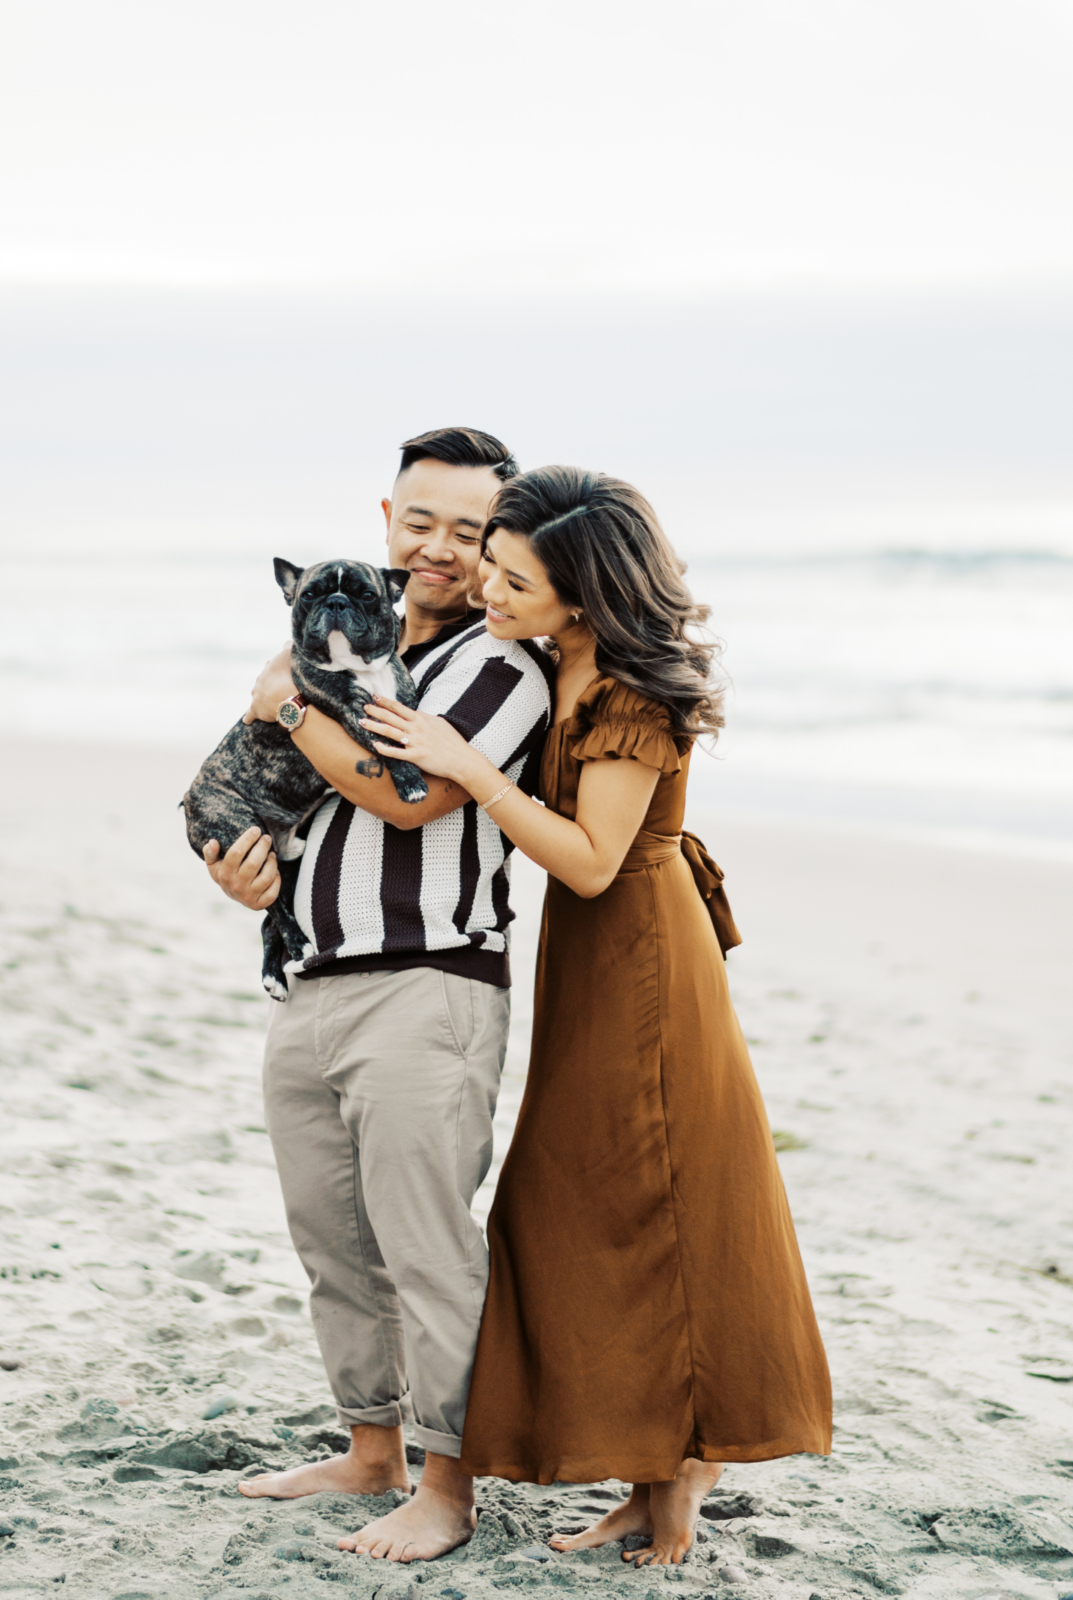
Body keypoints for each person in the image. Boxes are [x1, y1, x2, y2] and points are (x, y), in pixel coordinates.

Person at [360, 466, 833, 1568]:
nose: (487, 583)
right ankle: (643, 1469)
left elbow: (588, 860)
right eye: (494, 562)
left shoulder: (627, 689)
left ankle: (675, 1492)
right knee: (587, 1202)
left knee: (656, 1200)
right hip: (590, 962)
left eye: (514, 576)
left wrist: (469, 768)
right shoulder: (549, 659)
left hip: (643, 960)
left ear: (579, 594)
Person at [203, 427, 552, 1562]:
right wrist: (237, 864)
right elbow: (283, 803)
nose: (442, 547)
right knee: (332, 1239)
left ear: (499, 539)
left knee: (425, 1244)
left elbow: (412, 801)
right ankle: (371, 1449)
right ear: (386, 522)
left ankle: (447, 1485)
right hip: (312, 978)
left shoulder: (498, 669)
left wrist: (286, 706)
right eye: (422, 521)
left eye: (469, 530)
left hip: (429, 984)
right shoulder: (341, 640)